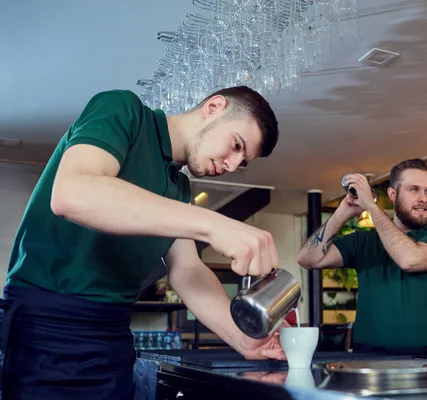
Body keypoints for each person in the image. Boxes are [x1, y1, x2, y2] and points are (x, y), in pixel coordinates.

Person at [0, 86, 286, 399]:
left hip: (114, 338)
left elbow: (188, 270)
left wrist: (245, 340)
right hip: (47, 328)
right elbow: (74, 193)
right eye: (236, 145)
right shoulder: (124, 111)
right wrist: (214, 225)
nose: (232, 165)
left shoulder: (179, 188)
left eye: (242, 162)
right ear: (214, 107)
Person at [297, 158, 427, 355]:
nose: (423, 198)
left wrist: (371, 206)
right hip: (366, 358)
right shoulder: (362, 241)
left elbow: (409, 259)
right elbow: (308, 259)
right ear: (393, 194)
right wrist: (342, 212)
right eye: (413, 189)